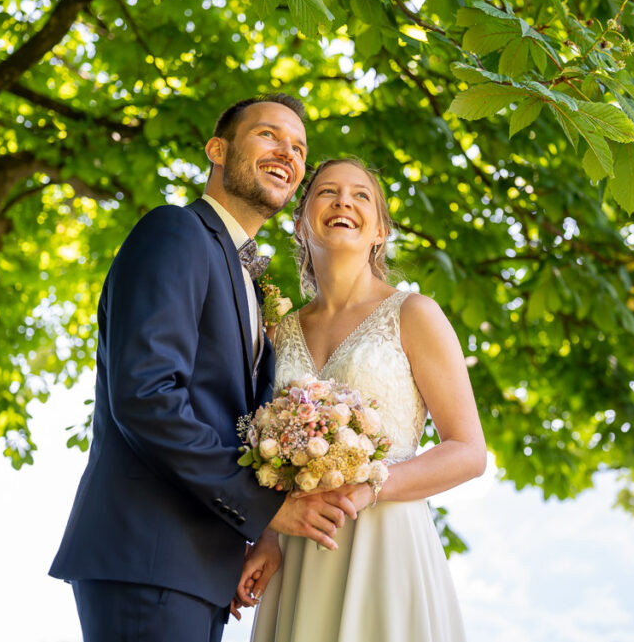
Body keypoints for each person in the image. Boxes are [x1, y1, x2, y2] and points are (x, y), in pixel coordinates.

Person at [49, 94, 358, 642]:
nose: (287, 151)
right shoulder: (175, 232)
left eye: (299, 147)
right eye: (269, 135)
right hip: (148, 552)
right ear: (217, 149)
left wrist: (251, 536)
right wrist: (266, 509)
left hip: (196, 566)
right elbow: (146, 396)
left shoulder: (249, 278)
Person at [243, 158, 488, 642]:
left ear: (380, 230)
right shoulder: (274, 330)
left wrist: (370, 487)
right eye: (327, 192)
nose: (343, 202)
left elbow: (468, 451)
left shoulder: (414, 313)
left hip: (385, 539)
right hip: (299, 550)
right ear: (299, 222)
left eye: (361, 196)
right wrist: (267, 534)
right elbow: (259, 454)